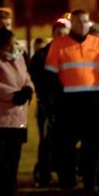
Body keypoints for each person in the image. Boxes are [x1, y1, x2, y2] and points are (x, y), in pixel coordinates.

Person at [45, 9, 99, 195]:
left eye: (85, 21)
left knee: (93, 146)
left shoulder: (98, 43)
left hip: (93, 100)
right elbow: (50, 76)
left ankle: (91, 184)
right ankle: (68, 184)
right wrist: (56, 101)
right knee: (66, 146)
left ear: (89, 22)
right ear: (71, 24)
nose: (82, 24)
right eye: (78, 21)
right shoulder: (59, 44)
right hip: (68, 102)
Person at [29, 19, 70, 187]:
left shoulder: (71, 52)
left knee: (64, 140)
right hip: (47, 104)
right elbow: (37, 79)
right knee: (46, 140)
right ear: (53, 34)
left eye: (64, 33)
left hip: (67, 104)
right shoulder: (41, 55)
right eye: (58, 33)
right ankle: (44, 174)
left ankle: (64, 173)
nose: (61, 36)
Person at [0, 28, 34, 196]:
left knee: (13, 160)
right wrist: (12, 95)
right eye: (10, 42)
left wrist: (28, 88)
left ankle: (10, 194)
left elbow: (26, 76)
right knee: (0, 160)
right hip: (1, 117)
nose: (13, 45)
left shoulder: (19, 56)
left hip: (18, 117)